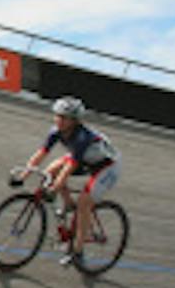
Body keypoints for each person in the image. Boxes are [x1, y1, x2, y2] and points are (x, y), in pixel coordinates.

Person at [12, 96, 120, 266]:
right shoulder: (55, 131)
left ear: (75, 121)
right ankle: (69, 204)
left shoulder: (82, 137)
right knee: (49, 171)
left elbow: (69, 168)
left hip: (106, 166)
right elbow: (41, 154)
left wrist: (54, 189)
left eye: (64, 117)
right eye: (57, 115)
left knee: (84, 202)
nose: (59, 120)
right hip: (85, 159)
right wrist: (23, 176)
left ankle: (77, 251)